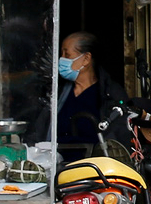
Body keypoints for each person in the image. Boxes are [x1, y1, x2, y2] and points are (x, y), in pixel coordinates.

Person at [37, 30, 135, 158]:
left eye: (67, 54)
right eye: (61, 53)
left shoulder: (110, 94)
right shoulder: (59, 92)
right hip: (56, 164)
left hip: (93, 168)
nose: (61, 59)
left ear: (86, 59)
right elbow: (41, 129)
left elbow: (117, 140)